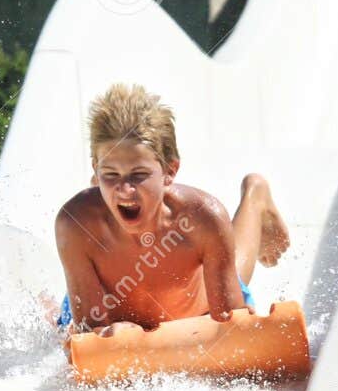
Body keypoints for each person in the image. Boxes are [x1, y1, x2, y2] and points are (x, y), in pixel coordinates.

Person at [54, 83, 289, 334]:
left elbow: (231, 332)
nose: (124, 189)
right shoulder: (76, 224)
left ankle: (255, 197)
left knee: (235, 271)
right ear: (95, 170)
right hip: (104, 307)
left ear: (170, 171)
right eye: (110, 174)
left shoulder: (203, 217)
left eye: (139, 174)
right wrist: (105, 335)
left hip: (199, 306)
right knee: (53, 327)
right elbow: (88, 336)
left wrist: (238, 323)